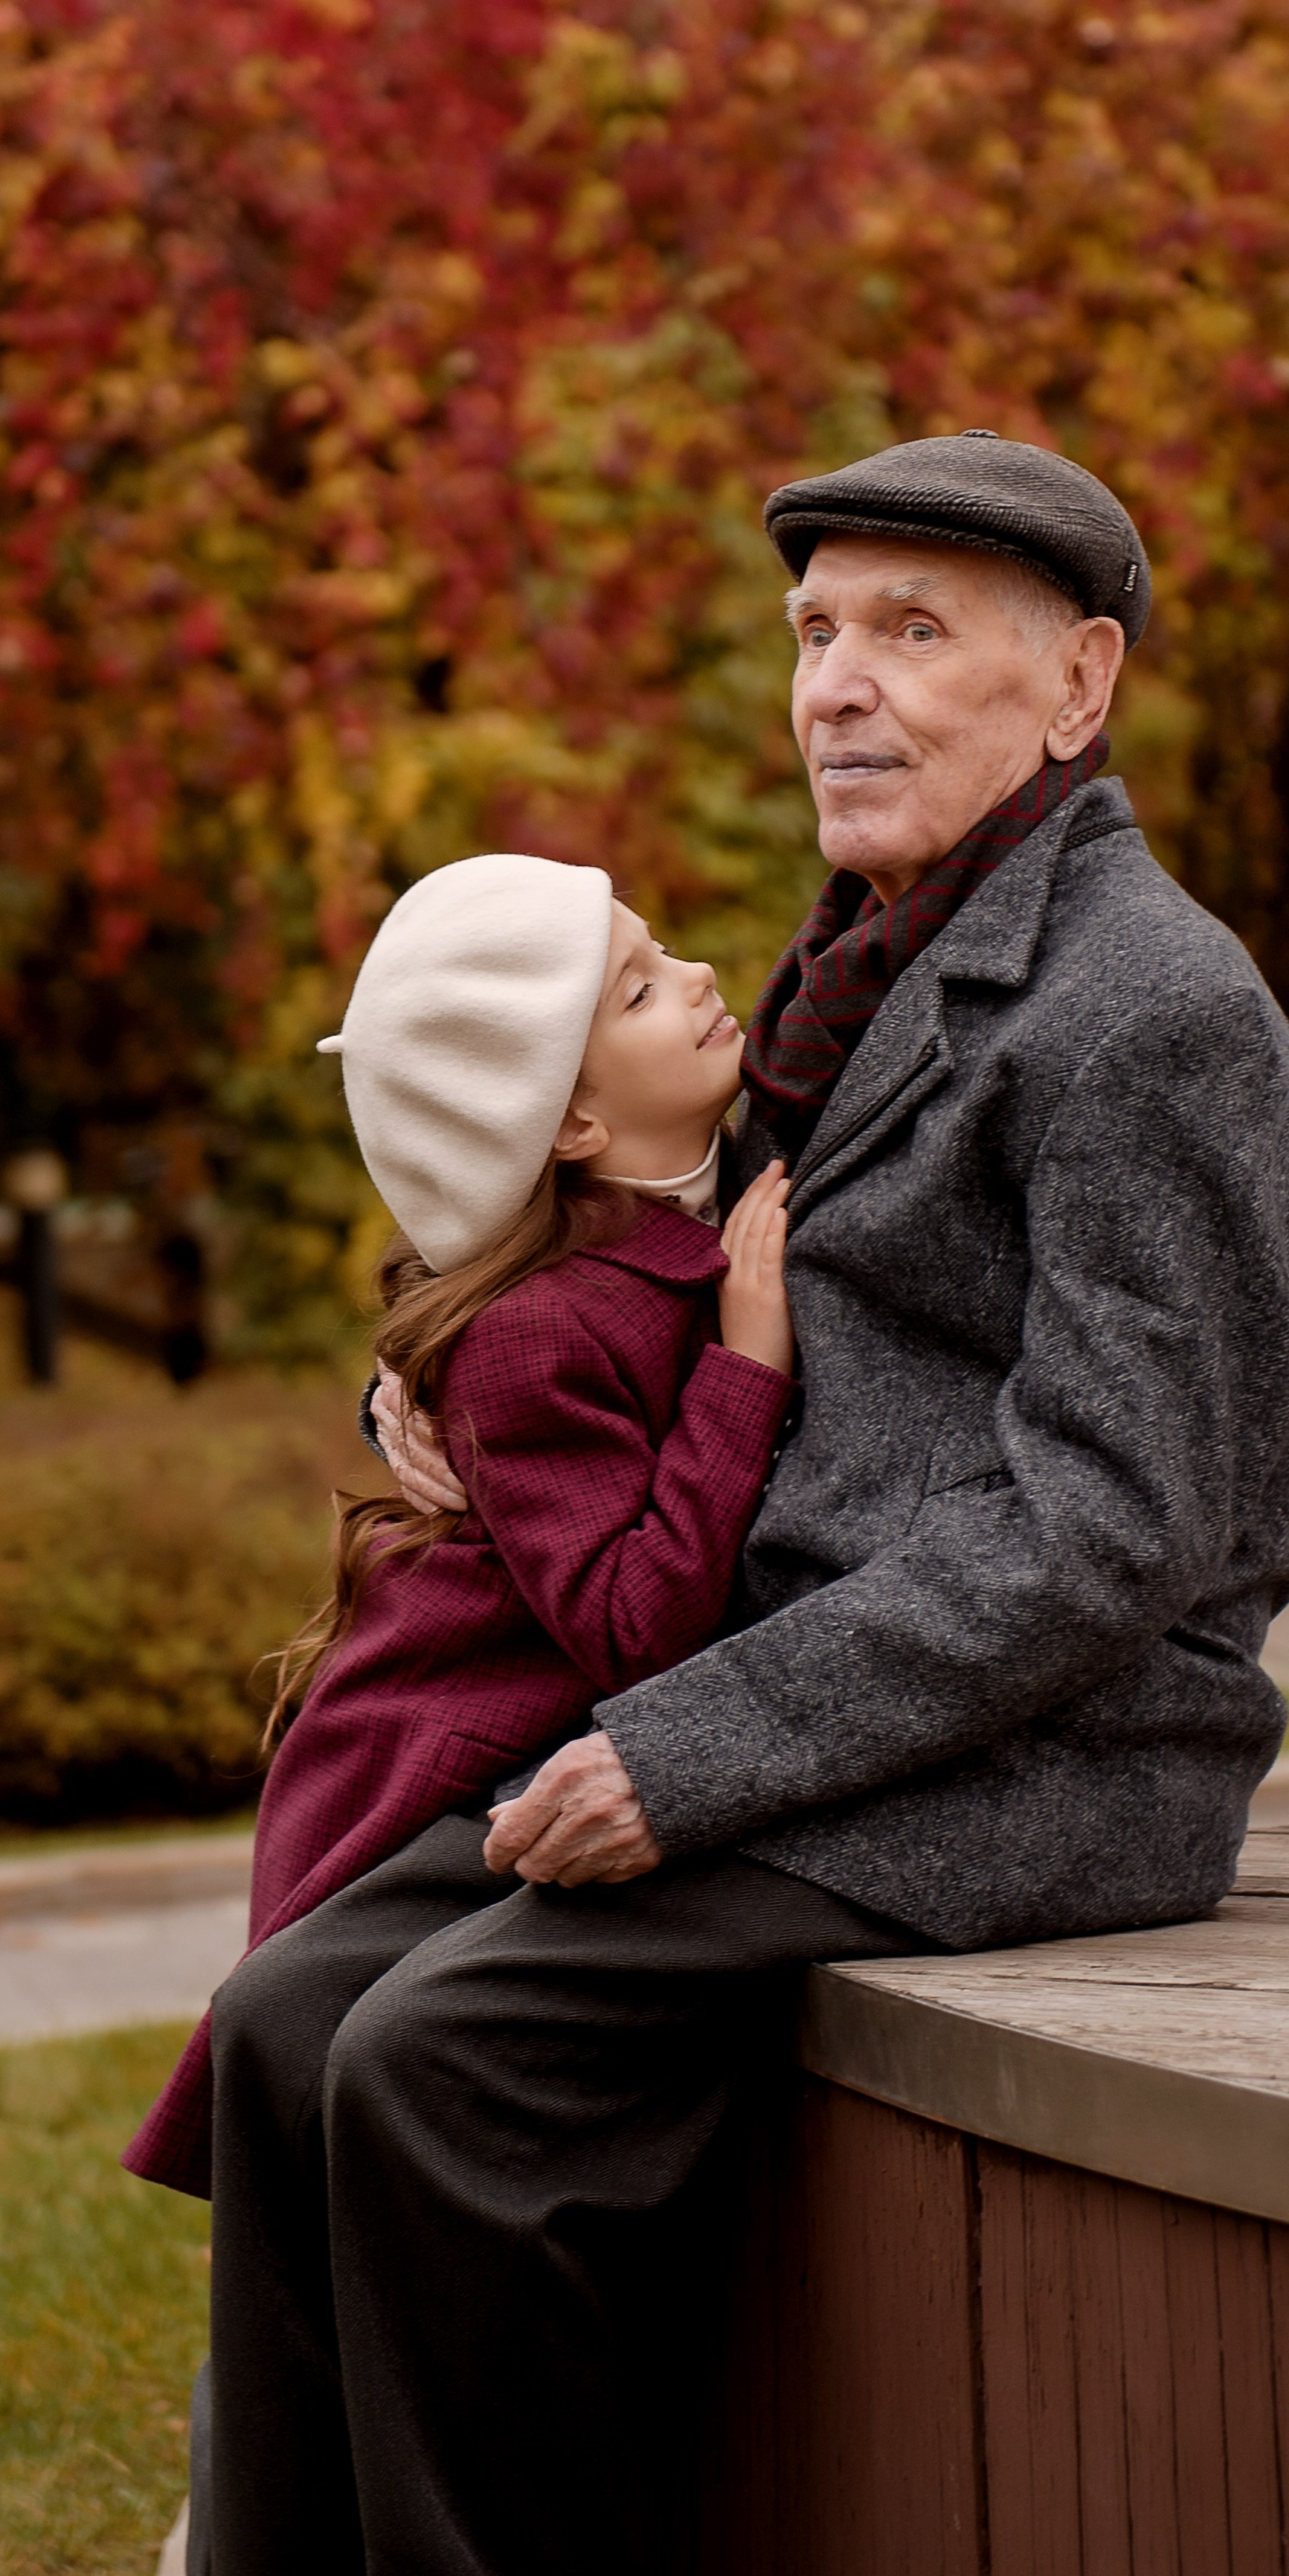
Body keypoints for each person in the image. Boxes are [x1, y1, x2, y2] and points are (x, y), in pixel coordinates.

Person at [202, 432, 1289, 2576]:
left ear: (1076, 686)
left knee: (433, 2067)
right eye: (817, 632)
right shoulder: (858, 966)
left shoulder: (1153, 1014)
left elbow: (1122, 1519)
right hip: (790, 1698)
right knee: (279, 2028)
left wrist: (692, 1752)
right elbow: (621, 1225)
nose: (837, 686)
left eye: (912, 631)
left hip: (1048, 1750)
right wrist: (418, 1377)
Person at [123, 853, 798, 2200]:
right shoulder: (546, 1322)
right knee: (310, 2078)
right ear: (572, 1123)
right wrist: (745, 1366)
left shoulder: (720, 1179)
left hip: (538, 1735)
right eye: (640, 990)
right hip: (434, 1752)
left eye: (661, 952)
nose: (702, 977)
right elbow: (634, 1624)